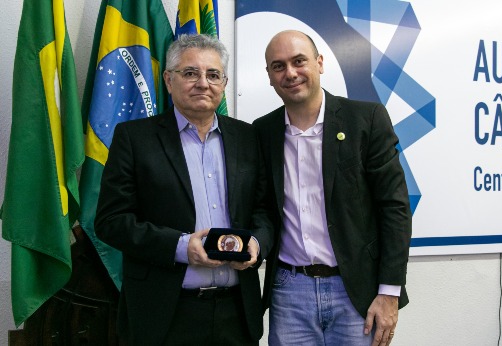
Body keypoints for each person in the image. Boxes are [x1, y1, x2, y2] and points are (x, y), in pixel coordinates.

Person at [95, 34, 274, 346]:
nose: (203, 83)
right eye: (190, 73)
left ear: (225, 82)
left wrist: (257, 244)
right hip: (164, 314)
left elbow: (264, 210)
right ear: (168, 79)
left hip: (237, 314)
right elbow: (111, 221)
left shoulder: (247, 137)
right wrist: (180, 247)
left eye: (213, 74)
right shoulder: (134, 138)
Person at [253, 30, 412, 346]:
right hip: (288, 292)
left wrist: (389, 292)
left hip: (355, 291)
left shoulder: (366, 119)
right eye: (278, 66)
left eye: (299, 61)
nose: (291, 73)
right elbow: (263, 208)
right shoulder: (262, 131)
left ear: (320, 63)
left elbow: (394, 208)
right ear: (270, 76)